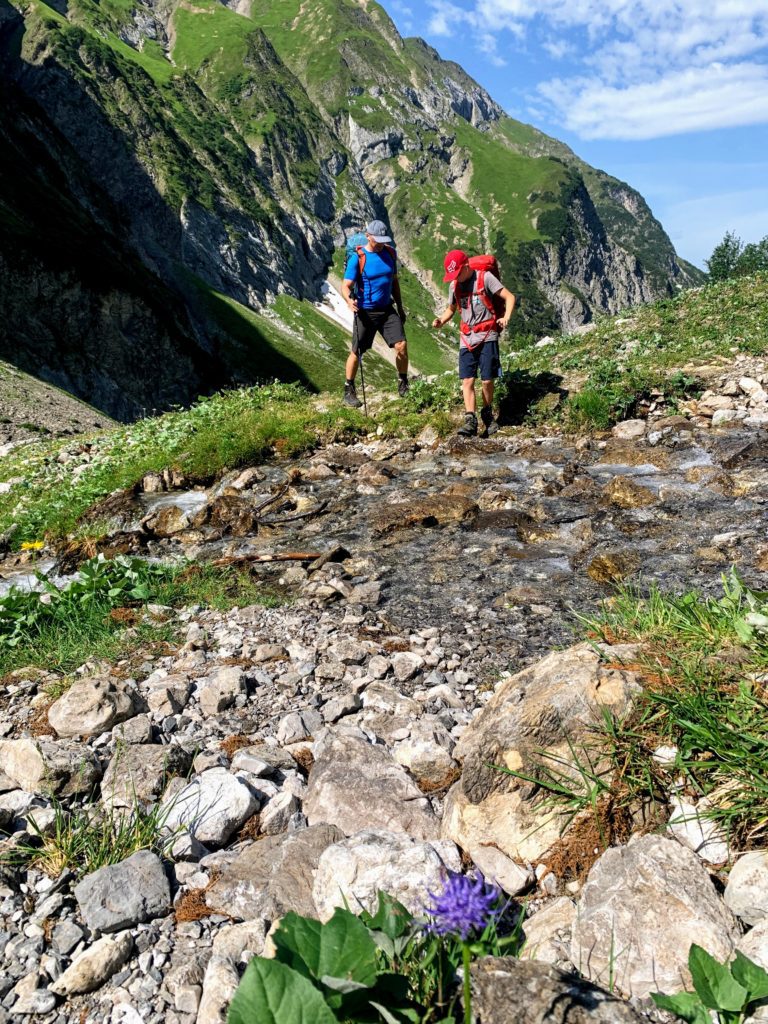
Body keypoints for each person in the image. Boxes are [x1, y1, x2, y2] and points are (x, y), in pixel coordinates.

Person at [431, 249, 515, 437]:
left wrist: (506, 317)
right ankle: (470, 420)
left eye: (458, 273)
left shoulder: (485, 278)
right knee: (467, 380)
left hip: (487, 335)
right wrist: (441, 321)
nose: (456, 278)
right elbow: (451, 308)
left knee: (486, 379)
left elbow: (509, 297)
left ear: (466, 266)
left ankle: (487, 413)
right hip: (467, 337)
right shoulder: (454, 286)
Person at [341, 220, 409, 408]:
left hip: (387, 309)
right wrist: (349, 300)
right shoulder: (358, 257)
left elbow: (394, 282)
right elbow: (346, 285)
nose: (380, 243)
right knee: (357, 351)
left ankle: (403, 381)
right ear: (368, 236)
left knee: (401, 345)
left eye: (383, 240)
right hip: (365, 311)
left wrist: (400, 308)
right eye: (376, 240)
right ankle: (349, 389)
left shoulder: (390, 253)